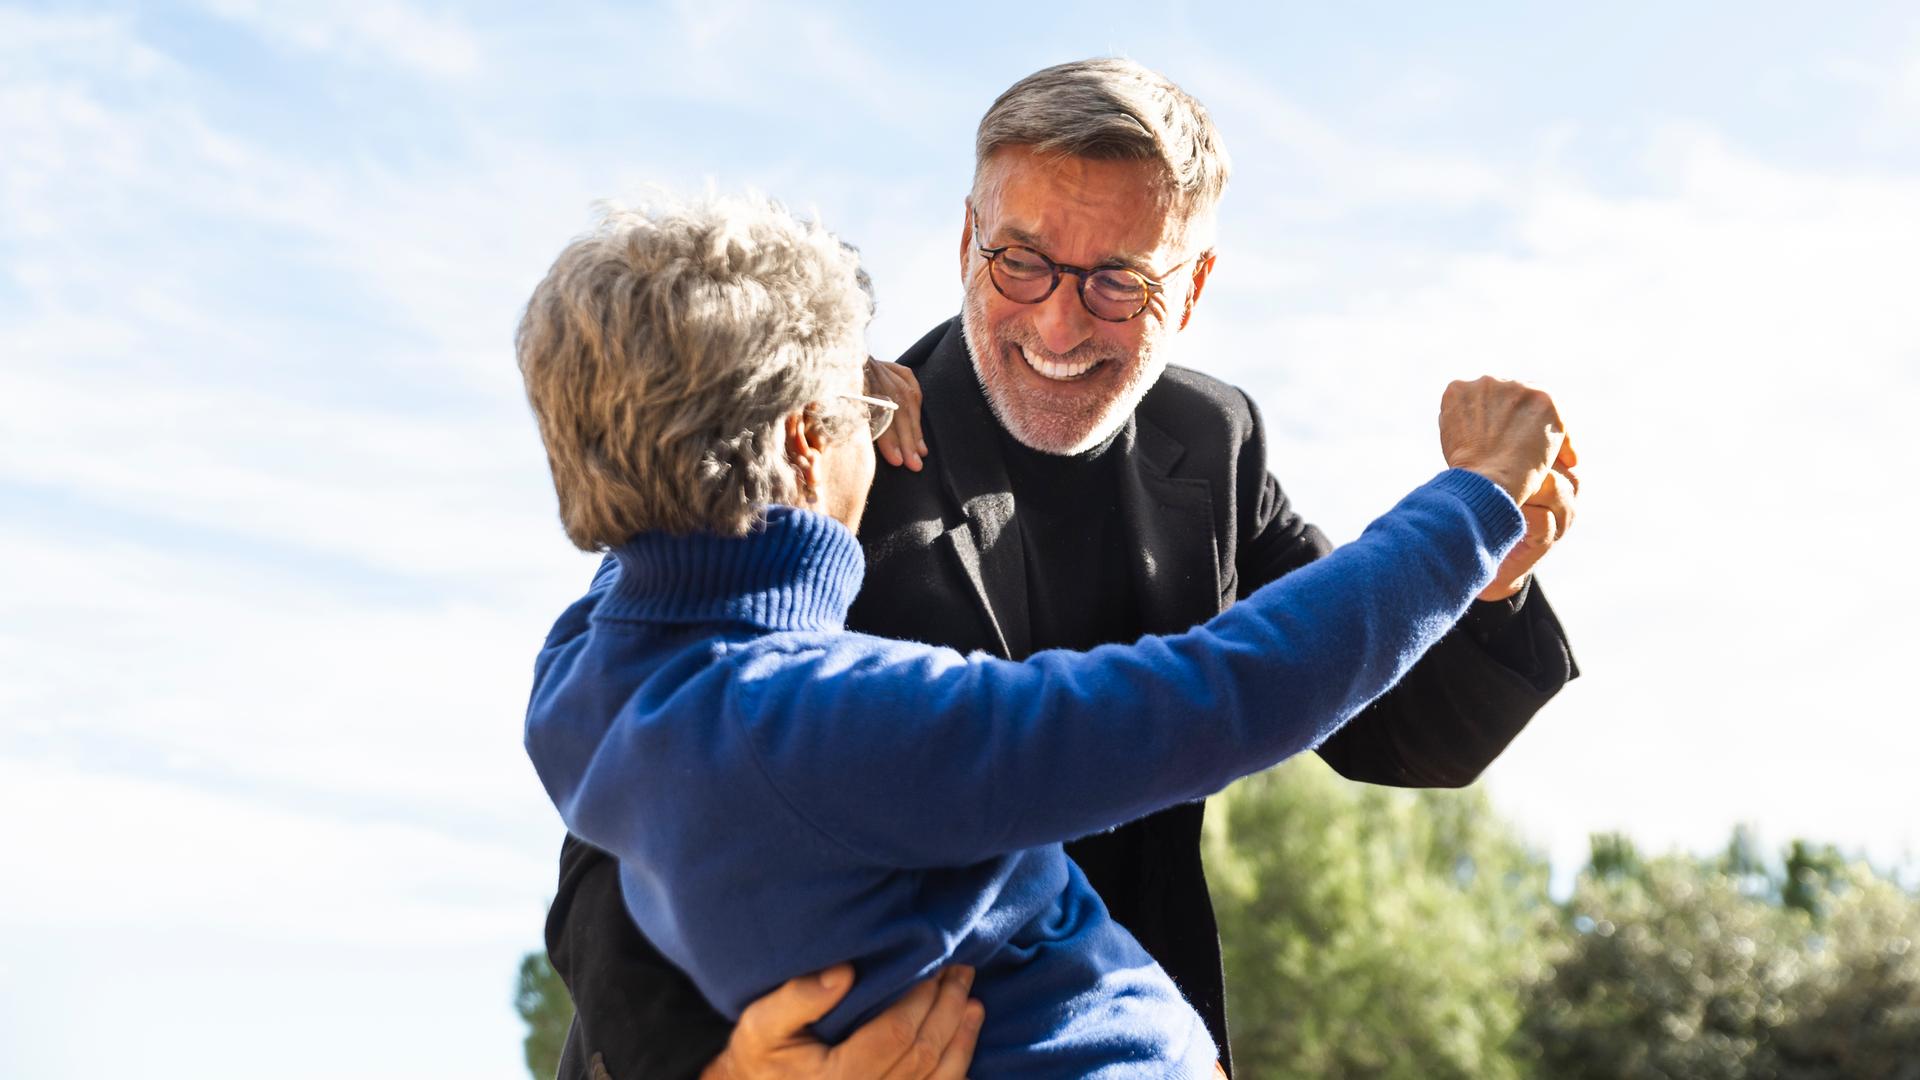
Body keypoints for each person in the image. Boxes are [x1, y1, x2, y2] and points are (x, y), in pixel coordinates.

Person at [542, 59, 1580, 1080]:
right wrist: (717, 1070)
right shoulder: (816, 461)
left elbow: (1380, 716)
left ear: (1194, 284)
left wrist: (1488, 571)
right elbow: (632, 775)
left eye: (1117, 283)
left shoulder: (1215, 442)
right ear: (967, 239)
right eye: (1022, 262)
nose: (1057, 322)